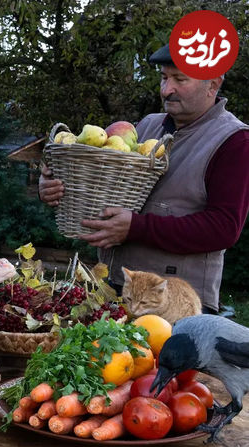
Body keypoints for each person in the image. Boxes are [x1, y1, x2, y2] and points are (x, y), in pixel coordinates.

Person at [38, 44, 249, 314]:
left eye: (180, 79)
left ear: (213, 84)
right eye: (164, 77)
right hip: (116, 290)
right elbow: (102, 186)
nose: (166, 89)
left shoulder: (234, 141)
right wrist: (56, 185)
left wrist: (137, 228)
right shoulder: (147, 126)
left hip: (176, 307)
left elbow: (224, 228)